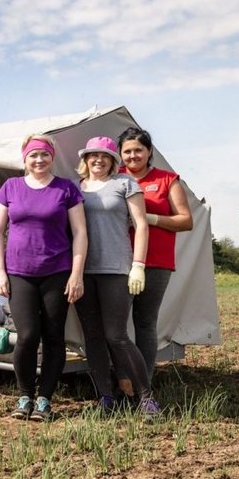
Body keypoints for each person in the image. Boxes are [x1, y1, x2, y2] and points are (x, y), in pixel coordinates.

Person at [0, 133, 87, 421]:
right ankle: (24, 396)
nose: (39, 160)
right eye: (33, 155)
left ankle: (44, 398)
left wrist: (77, 274)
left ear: (52, 157)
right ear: (25, 158)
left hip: (57, 272)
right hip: (20, 273)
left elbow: (80, 233)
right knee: (28, 335)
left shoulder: (66, 189)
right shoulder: (11, 187)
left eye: (44, 154)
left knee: (53, 336)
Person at [73, 136, 159, 418]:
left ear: (112, 160)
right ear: (85, 160)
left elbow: (142, 225)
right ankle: (106, 397)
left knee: (117, 336)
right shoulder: (76, 189)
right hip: (84, 271)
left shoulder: (125, 184)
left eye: (105, 155)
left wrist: (138, 264)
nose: (98, 160)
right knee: (93, 337)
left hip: (116, 269)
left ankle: (146, 397)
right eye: (92, 155)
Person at [118, 126, 193, 383]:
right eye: (127, 151)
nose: (132, 156)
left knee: (145, 323)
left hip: (155, 263)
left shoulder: (167, 180)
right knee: (115, 327)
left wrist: (150, 219)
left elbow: (185, 221)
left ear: (149, 151)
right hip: (117, 262)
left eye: (138, 150)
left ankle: (144, 383)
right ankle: (120, 380)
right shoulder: (113, 178)